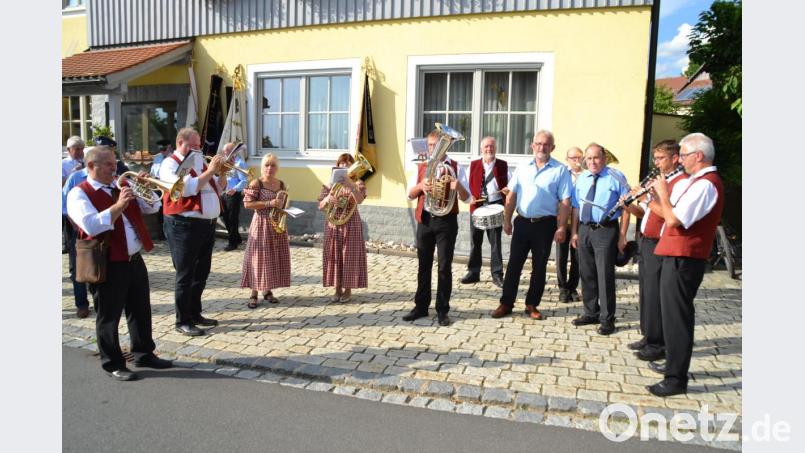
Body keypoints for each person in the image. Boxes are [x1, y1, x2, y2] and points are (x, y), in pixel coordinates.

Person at [66, 146, 172, 381]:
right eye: (108, 164)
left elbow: (152, 207)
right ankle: (112, 362)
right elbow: (91, 226)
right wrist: (118, 206)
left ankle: (144, 353)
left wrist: (146, 190)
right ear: (91, 166)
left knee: (140, 309)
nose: (115, 169)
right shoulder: (78, 193)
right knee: (109, 315)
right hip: (107, 261)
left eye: (115, 163)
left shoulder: (120, 185)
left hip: (133, 258)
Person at [644, 133, 724, 397]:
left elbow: (675, 219)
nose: (682, 160)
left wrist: (663, 194)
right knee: (670, 315)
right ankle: (672, 365)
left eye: (685, 155)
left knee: (678, 318)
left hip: (685, 259)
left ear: (698, 156)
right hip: (676, 256)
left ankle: (676, 378)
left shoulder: (706, 185)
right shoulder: (697, 182)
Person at [491, 130, 572, 320]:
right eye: (538, 143)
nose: (541, 147)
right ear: (532, 146)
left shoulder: (560, 170)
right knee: (514, 265)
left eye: (546, 144)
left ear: (552, 147)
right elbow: (511, 196)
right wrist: (507, 220)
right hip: (522, 223)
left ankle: (532, 304)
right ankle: (506, 303)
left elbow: (566, 201)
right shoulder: (523, 167)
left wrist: (561, 227)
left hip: (545, 225)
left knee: (540, 266)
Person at [622, 140, 686, 362]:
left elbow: (669, 214)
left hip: (661, 241)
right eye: (655, 158)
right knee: (646, 291)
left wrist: (647, 198)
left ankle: (657, 342)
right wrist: (630, 204)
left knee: (656, 293)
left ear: (675, 158)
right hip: (646, 240)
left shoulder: (679, 182)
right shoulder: (661, 180)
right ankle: (648, 335)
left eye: (660, 159)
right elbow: (645, 214)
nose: (656, 163)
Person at [159, 127, 227, 336]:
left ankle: (195, 313)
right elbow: (188, 188)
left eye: (199, 145)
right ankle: (182, 320)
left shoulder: (199, 161)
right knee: (185, 275)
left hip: (205, 226)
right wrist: (211, 170)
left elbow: (220, 187)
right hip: (183, 226)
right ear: (181, 143)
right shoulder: (169, 164)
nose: (198, 149)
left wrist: (221, 172)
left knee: (201, 273)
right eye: (194, 146)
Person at [405, 129, 470, 326]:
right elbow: (410, 194)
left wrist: (457, 187)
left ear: (446, 145)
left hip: (446, 222)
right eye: (430, 145)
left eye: (436, 145)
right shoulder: (421, 167)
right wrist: (421, 187)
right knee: (423, 266)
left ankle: (443, 310)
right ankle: (421, 307)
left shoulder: (456, 167)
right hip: (425, 219)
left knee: (444, 267)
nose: (432, 149)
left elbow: (469, 198)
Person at [570, 143, 630, 335]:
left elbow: (627, 208)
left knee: (604, 276)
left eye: (596, 157)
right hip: (585, 229)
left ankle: (607, 319)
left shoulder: (615, 177)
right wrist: (575, 232)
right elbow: (576, 207)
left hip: (606, 230)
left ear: (604, 158)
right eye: (589, 158)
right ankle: (591, 312)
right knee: (586, 273)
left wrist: (622, 236)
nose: (592, 162)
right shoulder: (582, 179)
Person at [240, 153, 291, 308]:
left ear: (277, 167)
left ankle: (267, 291)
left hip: (276, 225)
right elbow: (247, 204)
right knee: (258, 257)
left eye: (273, 165)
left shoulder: (281, 184)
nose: (270, 168)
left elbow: (283, 204)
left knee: (272, 257)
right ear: (263, 167)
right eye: (267, 165)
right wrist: (270, 203)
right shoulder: (257, 183)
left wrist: (285, 207)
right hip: (261, 224)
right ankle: (254, 293)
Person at [317, 153, 368, 303]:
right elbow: (320, 205)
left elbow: (359, 200)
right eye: (341, 164)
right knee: (334, 256)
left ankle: (348, 289)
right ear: (337, 166)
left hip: (351, 223)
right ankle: (337, 288)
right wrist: (328, 199)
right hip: (333, 224)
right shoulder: (329, 184)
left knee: (349, 255)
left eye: (347, 164)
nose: (344, 166)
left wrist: (350, 184)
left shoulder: (358, 183)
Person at [460, 136, 511, 288]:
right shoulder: (473, 165)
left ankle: (497, 274)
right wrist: (470, 197)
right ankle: (473, 272)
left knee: (495, 243)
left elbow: (510, 187)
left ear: (495, 148)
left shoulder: (503, 165)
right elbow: (465, 185)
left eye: (492, 146)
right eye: (486, 147)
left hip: (495, 206)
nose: (489, 149)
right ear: (481, 149)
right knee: (475, 241)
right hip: (477, 207)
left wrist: (507, 191)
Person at [555, 147, 584, 303]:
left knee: (577, 256)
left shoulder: (587, 175)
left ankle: (573, 287)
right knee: (561, 255)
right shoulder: (561, 174)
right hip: (563, 219)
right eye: (573, 158)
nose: (576, 161)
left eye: (579, 157)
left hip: (580, 220)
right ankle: (562, 288)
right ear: (567, 159)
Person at [63, 164, 91, 318]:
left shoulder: (107, 178)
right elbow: (63, 203)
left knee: (98, 263)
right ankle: (81, 304)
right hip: (76, 229)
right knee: (77, 267)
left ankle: (100, 301)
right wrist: (73, 220)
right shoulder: (75, 177)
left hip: (97, 230)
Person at [220, 143, 249, 251]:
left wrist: (235, 189)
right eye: (224, 151)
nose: (224, 153)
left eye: (227, 151)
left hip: (233, 194)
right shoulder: (225, 162)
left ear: (233, 151)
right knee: (225, 217)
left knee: (232, 219)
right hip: (224, 193)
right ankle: (237, 238)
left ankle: (232, 243)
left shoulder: (240, 163)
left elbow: (244, 181)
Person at [150, 141, 173, 241]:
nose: (162, 152)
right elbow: (152, 171)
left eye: (164, 150)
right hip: (158, 186)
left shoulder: (173, 158)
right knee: (159, 210)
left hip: (168, 186)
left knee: (168, 210)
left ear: (169, 147)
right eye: (161, 150)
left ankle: (170, 232)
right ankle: (161, 234)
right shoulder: (157, 157)